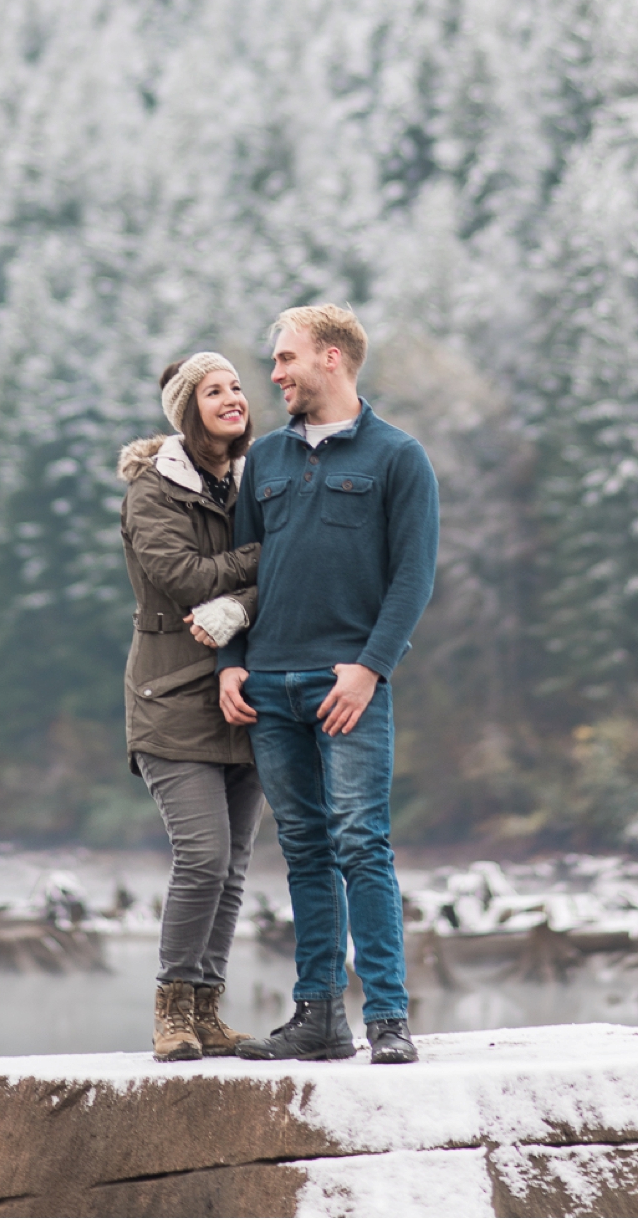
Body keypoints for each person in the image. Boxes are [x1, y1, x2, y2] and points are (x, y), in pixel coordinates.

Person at [217, 305, 438, 1066]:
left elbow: (413, 577)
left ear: (333, 358)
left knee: (361, 843)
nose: (273, 374)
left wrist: (370, 667)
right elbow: (242, 573)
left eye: (285, 358)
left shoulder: (398, 457)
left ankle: (387, 1019)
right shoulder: (266, 463)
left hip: (348, 685)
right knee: (305, 848)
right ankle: (317, 1017)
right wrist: (230, 662)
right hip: (269, 688)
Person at [119, 352, 266, 1062]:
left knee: (234, 864)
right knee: (203, 855)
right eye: (215, 389)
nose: (234, 397)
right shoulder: (153, 491)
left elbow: (293, 573)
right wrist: (258, 560)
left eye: (237, 385)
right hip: (170, 697)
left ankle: (207, 1011)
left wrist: (241, 599)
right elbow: (182, 579)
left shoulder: (257, 480)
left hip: (246, 695)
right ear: (188, 408)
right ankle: (170, 1011)